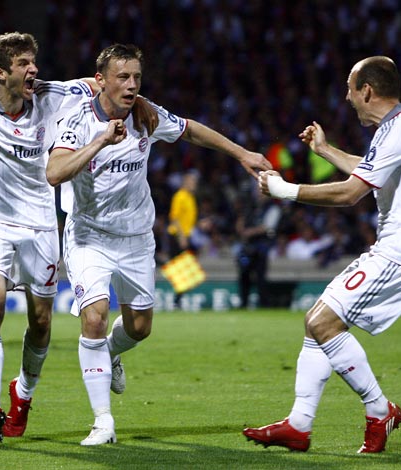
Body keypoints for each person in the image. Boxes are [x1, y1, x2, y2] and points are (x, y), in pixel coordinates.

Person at [0, 32, 158, 444]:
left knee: (41, 323)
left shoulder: (49, 94)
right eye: (25, 63)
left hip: (42, 223)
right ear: (0, 72)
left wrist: (141, 101)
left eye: (34, 61)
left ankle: (22, 394)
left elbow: (104, 83)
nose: (35, 70)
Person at [46, 43, 272, 446]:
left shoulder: (146, 115)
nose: (132, 85)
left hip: (136, 240)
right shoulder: (76, 119)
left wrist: (240, 154)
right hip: (89, 237)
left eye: (137, 77)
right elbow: (54, 172)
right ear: (101, 81)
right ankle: (102, 422)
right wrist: (99, 142)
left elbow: (191, 130)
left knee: (140, 328)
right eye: (123, 77)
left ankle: (112, 353)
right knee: (94, 317)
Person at [243, 56, 401, 453]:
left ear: (366, 90)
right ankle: (299, 425)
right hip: (396, 248)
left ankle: (378, 409)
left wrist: (286, 191)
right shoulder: (396, 128)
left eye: (350, 89)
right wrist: (325, 150)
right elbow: (368, 172)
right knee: (316, 323)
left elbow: (352, 193)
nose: (347, 98)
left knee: (324, 321)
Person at [234, 188, 281, 309]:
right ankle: (243, 303)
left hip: (261, 247)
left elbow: (267, 227)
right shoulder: (251, 207)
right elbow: (241, 225)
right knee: (244, 275)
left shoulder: (273, 208)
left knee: (261, 277)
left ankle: (263, 304)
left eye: (262, 192)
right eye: (258, 192)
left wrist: (249, 232)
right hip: (248, 247)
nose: (259, 195)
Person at [166, 170, 200, 308]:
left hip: (185, 236)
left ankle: (178, 300)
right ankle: (177, 301)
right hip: (176, 236)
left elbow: (188, 220)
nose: (194, 185)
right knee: (182, 270)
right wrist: (181, 237)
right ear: (185, 182)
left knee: (185, 270)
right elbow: (174, 218)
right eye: (191, 182)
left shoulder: (190, 197)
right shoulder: (179, 196)